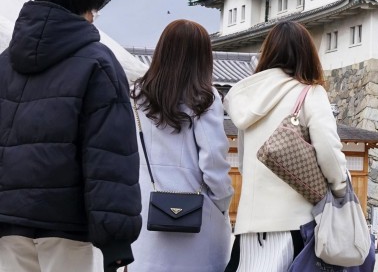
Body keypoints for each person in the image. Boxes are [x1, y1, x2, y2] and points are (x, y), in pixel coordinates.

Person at [0, 0, 142, 272]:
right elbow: (109, 155)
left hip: (7, 226)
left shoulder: (4, 63)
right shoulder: (99, 63)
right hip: (66, 227)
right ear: (87, 4)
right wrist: (116, 241)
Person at [223, 22, 349, 272]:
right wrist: (341, 188)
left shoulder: (247, 99)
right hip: (295, 223)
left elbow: (244, 163)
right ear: (307, 54)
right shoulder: (309, 94)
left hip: (250, 227)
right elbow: (329, 152)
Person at [130, 20, 234, 272]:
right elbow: (213, 162)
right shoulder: (204, 98)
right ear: (203, 57)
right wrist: (222, 205)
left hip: (146, 219)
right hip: (196, 219)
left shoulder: (135, 96)